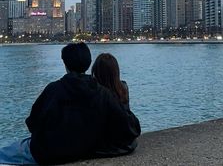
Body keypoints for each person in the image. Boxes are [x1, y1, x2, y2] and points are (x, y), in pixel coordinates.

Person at [0, 43, 140, 165]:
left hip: (48, 154)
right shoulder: (104, 94)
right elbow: (130, 127)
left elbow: (32, 123)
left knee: (5, 153)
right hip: (83, 150)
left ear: (66, 64)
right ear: (88, 63)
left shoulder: (53, 90)